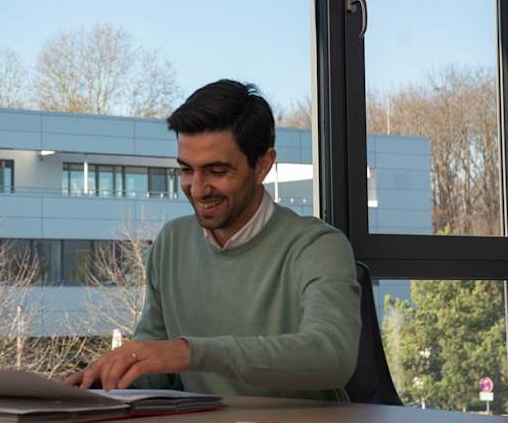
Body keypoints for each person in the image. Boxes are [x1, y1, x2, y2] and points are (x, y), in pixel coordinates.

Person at [66, 79, 360, 402]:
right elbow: (156, 371)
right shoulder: (171, 243)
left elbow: (331, 355)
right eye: (187, 170)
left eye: (216, 171)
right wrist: (97, 383)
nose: (197, 188)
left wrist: (190, 352)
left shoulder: (318, 246)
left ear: (262, 165)